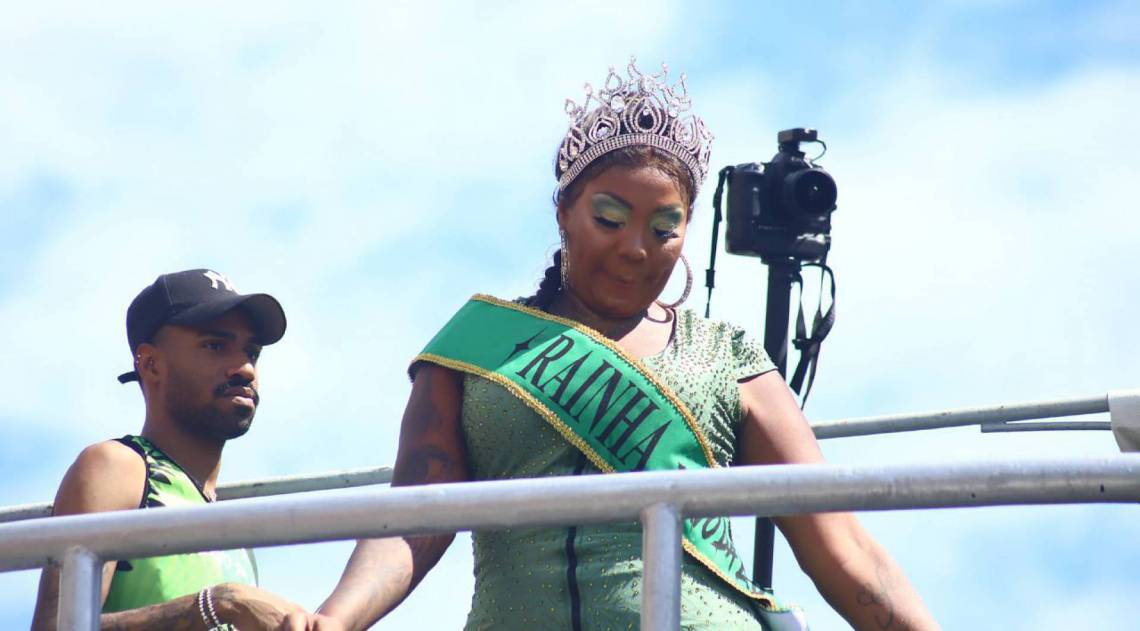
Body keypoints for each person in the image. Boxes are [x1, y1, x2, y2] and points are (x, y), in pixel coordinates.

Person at [304, 59, 939, 630]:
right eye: (610, 218)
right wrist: (334, 620)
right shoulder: (477, 348)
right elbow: (415, 514)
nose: (635, 247)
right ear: (565, 213)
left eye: (665, 228)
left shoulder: (728, 358)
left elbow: (844, 550)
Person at [31, 269, 310, 631]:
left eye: (252, 352)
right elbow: (56, 627)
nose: (244, 369)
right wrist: (220, 604)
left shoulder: (231, 529)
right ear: (151, 364)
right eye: (215, 345)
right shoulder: (118, 466)